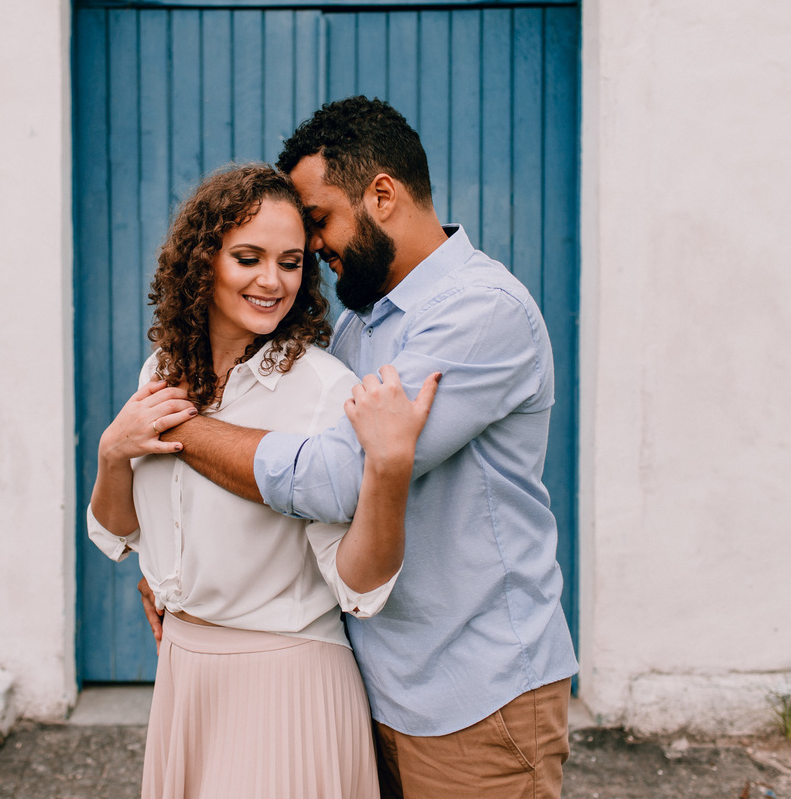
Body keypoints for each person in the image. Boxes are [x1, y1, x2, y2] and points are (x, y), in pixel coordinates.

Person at [151, 97, 580, 798]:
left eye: (319, 220)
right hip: (370, 686)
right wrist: (180, 575)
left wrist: (178, 427)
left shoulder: (481, 313)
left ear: (382, 193)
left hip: (473, 697)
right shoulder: (359, 324)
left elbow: (336, 481)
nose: (314, 247)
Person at [86, 164, 438, 799]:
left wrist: (388, 471)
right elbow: (120, 533)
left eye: (292, 262)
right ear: (203, 260)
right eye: (248, 258)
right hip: (186, 674)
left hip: (286, 678)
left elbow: (359, 586)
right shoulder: (161, 371)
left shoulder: (321, 389)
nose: (272, 281)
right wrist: (113, 451)